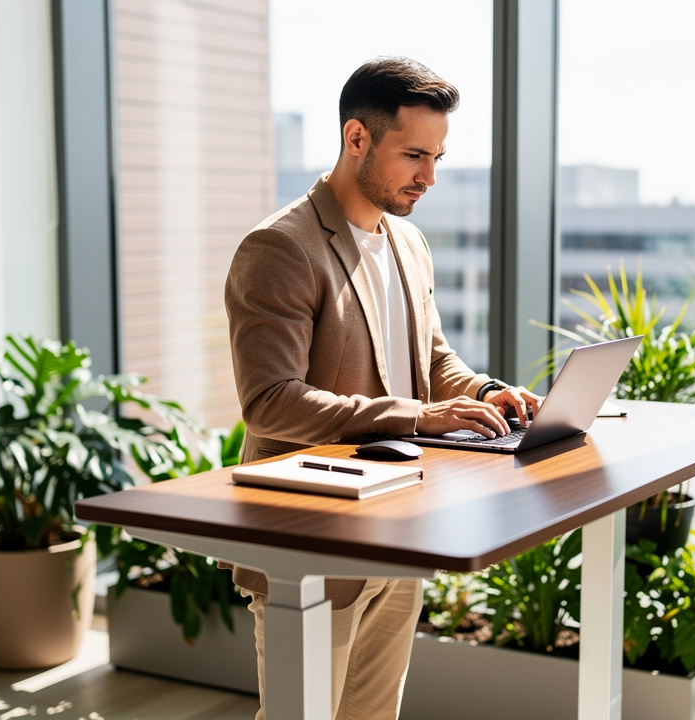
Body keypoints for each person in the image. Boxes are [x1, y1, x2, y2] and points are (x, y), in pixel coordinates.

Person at [224, 57, 541, 720]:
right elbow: (270, 399)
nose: (429, 177)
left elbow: (433, 357)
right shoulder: (281, 248)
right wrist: (420, 418)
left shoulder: (408, 242)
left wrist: (487, 393)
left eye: (439, 157)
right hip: (311, 542)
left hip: (399, 532)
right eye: (415, 155)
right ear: (357, 139)